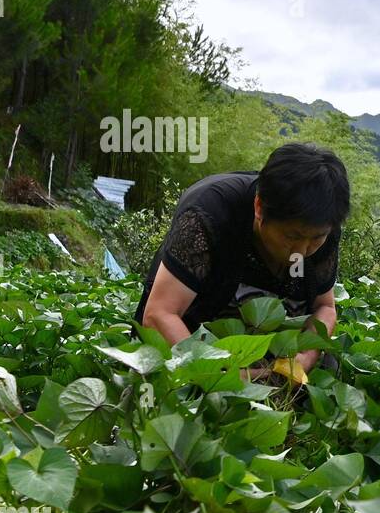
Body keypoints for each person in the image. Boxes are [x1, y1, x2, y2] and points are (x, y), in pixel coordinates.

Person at [135, 142, 350, 378]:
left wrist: (304, 358)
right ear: (259, 208)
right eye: (292, 236)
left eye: (316, 238)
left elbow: (325, 307)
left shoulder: (323, 223)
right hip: (194, 346)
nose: (303, 250)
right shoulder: (209, 214)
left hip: (269, 353)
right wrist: (227, 378)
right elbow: (159, 314)